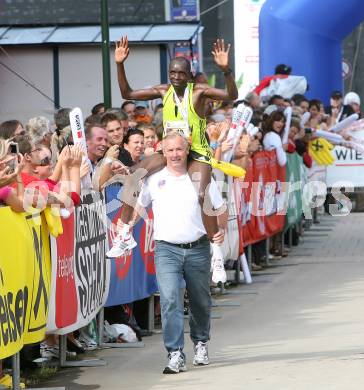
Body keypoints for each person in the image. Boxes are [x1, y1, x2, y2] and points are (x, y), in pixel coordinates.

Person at [108, 36, 237, 257]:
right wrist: (119, 64)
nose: (176, 77)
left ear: (189, 75)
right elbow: (127, 94)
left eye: (181, 73)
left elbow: (231, 95)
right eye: (173, 73)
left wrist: (226, 71)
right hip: (169, 149)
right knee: (134, 176)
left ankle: (215, 250)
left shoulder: (199, 91)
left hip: (196, 151)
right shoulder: (162, 91)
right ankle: (125, 233)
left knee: (201, 194)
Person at [136, 132, 225, 374]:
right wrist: (123, 229)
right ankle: (174, 353)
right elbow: (138, 205)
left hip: (197, 247)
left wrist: (221, 230)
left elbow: (220, 207)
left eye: (179, 149)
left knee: (200, 300)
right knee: (170, 300)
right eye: (170, 150)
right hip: (166, 249)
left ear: (187, 151)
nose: (174, 154)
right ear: (162, 153)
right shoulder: (153, 179)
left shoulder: (201, 176)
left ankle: (201, 343)